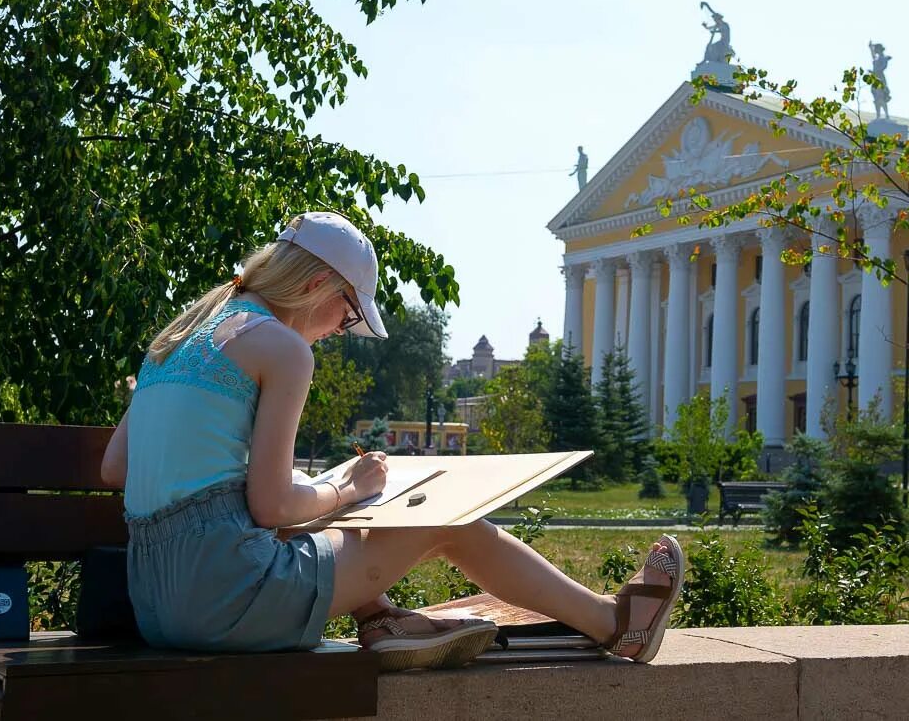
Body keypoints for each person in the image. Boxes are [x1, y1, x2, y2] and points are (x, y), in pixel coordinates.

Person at [101, 211, 685, 671]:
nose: (339, 331)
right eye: (348, 313)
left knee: (314, 496)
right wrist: (346, 488)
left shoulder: (176, 338)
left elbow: (116, 467)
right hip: (227, 598)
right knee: (448, 520)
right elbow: (270, 506)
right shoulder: (280, 347)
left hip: (156, 599)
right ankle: (618, 625)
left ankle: (381, 619)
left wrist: (316, 493)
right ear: (315, 285)